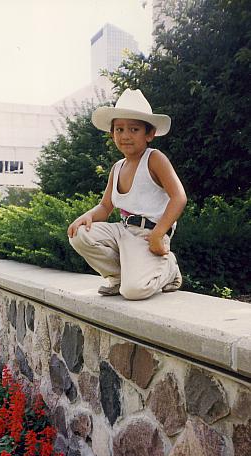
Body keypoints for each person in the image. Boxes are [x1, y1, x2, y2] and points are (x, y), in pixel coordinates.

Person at [67, 88, 187, 300]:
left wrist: (159, 234)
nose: (125, 135)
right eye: (119, 129)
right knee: (80, 234)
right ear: (112, 133)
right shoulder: (117, 167)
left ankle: (169, 269)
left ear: (149, 134)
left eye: (134, 129)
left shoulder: (154, 159)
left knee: (134, 292)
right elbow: (105, 207)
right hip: (123, 231)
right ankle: (118, 276)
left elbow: (179, 197)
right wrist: (88, 216)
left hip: (149, 235)